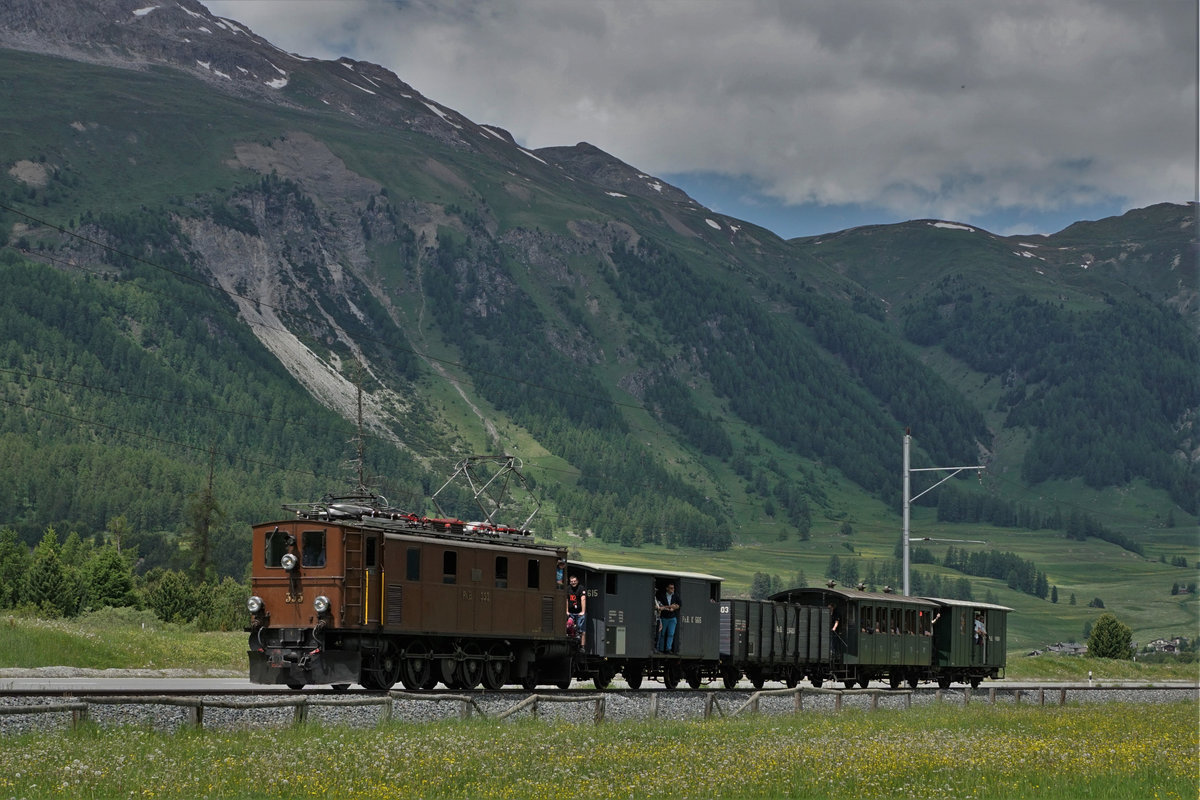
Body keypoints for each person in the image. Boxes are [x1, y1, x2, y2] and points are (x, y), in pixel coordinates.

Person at [656, 582, 680, 653]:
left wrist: (674, 608)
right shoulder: (662, 596)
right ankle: (661, 649)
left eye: (673, 588)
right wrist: (670, 606)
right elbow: (660, 606)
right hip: (664, 617)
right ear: (667, 588)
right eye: (671, 588)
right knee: (662, 634)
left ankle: (668, 649)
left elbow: (679, 604)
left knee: (671, 634)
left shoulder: (675, 596)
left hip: (672, 618)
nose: (673, 589)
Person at [567, 574, 587, 649]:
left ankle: (582, 647)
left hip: (579, 612)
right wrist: (567, 611)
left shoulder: (581, 588)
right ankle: (571, 644)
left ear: (577, 581)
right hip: (571, 612)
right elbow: (566, 600)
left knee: (582, 630)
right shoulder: (568, 588)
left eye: (575, 581)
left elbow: (583, 599)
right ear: (570, 582)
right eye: (572, 581)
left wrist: (583, 611)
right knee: (569, 625)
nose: (573, 582)